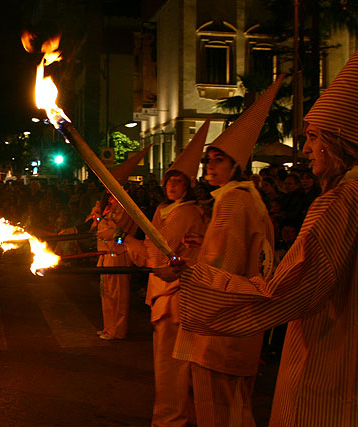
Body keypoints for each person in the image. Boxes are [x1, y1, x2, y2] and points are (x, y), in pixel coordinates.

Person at [167, 1, 358, 424]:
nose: (307, 149)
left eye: (313, 137)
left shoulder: (343, 201)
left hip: (339, 384)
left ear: (337, 141)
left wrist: (194, 278)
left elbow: (287, 292)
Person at [163, 77, 282, 426]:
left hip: (220, 330)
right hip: (244, 326)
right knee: (236, 409)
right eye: (208, 160)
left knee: (218, 412)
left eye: (218, 160)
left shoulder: (232, 202)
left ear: (236, 167)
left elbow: (221, 270)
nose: (209, 167)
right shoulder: (249, 199)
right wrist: (202, 248)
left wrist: (186, 267)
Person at [124, 118, 210, 426]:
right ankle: (186, 414)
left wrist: (131, 243)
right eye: (170, 180)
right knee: (175, 363)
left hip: (176, 294)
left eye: (179, 181)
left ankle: (170, 419)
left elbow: (161, 253)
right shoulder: (162, 210)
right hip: (162, 292)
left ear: (188, 186)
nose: (173, 185)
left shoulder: (187, 213)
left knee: (171, 364)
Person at [88, 143, 152, 340]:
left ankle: (118, 329)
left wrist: (102, 223)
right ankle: (108, 327)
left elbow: (114, 230)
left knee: (118, 295)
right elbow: (96, 227)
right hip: (104, 254)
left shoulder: (125, 206)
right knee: (106, 293)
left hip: (118, 254)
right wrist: (98, 218)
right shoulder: (106, 204)